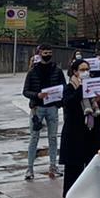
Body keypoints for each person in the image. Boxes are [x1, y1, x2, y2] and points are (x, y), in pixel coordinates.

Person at [60, 59, 100, 194]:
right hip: (75, 134)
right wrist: (82, 89)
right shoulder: (70, 87)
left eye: (87, 69)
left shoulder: (93, 84)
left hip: (92, 132)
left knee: (93, 165)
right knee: (74, 169)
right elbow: (69, 103)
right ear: (75, 72)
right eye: (82, 70)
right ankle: (72, 195)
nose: (85, 72)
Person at [22, 44, 64, 181]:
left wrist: (58, 101)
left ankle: (53, 166)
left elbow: (63, 87)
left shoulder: (57, 70)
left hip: (52, 107)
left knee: (53, 137)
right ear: (40, 53)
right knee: (34, 138)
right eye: (45, 52)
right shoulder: (32, 71)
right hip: (37, 108)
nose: (48, 54)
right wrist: (37, 95)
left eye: (50, 52)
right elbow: (25, 91)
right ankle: (29, 168)